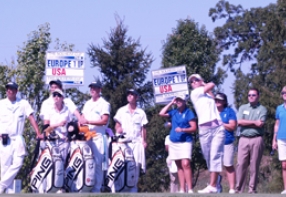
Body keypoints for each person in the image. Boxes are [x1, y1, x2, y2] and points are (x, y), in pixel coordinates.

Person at [0, 82, 41, 194]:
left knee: (18, 163)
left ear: (16, 91)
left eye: (12, 89)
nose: (10, 91)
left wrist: (38, 132)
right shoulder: (1, 104)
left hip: (18, 139)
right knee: (5, 168)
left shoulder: (23, 103)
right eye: (8, 89)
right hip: (4, 140)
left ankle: (1, 186)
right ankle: (8, 193)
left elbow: (31, 117)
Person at [189, 74, 225, 194]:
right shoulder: (194, 93)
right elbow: (211, 84)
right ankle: (217, 181)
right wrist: (204, 84)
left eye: (196, 80)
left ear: (201, 81)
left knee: (215, 155)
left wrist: (205, 85)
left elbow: (212, 93)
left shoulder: (208, 95)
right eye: (192, 82)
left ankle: (213, 186)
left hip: (217, 128)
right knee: (209, 158)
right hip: (204, 130)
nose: (193, 82)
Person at [159, 94, 197, 193]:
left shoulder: (189, 113)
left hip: (185, 141)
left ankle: (190, 189)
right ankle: (182, 189)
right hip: (174, 142)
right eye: (177, 100)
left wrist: (183, 129)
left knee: (186, 164)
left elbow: (194, 128)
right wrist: (171, 103)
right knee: (179, 166)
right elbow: (161, 113)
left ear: (185, 101)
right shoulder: (174, 112)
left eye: (181, 100)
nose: (179, 101)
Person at [113, 89, 148, 192]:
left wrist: (144, 141)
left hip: (136, 143)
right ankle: (121, 189)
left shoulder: (141, 112)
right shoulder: (121, 110)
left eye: (132, 94)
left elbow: (143, 128)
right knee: (122, 167)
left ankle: (133, 190)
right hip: (124, 144)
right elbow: (117, 124)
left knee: (135, 167)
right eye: (128, 94)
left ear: (136, 97)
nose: (129, 96)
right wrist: (118, 129)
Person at [80, 80, 110, 192]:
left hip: (98, 136)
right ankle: (85, 187)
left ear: (100, 90)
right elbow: (82, 118)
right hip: (87, 136)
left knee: (98, 164)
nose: (92, 90)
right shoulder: (87, 104)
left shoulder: (104, 104)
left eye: (95, 88)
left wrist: (88, 121)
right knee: (86, 161)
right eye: (91, 87)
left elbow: (104, 121)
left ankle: (97, 189)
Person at [236, 88, 267, 193]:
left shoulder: (262, 109)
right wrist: (254, 122)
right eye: (249, 95)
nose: (251, 97)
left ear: (258, 96)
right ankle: (239, 189)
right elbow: (239, 122)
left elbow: (261, 124)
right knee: (241, 164)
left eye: (253, 95)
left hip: (257, 139)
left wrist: (247, 122)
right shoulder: (242, 107)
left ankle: (252, 189)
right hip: (243, 139)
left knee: (254, 165)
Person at [43, 88, 74, 193]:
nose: (56, 97)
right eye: (54, 95)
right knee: (52, 164)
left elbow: (71, 126)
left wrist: (69, 134)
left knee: (62, 164)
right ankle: (50, 186)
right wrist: (57, 125)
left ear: (62, 98)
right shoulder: (49, 110)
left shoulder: (68, 110)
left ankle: (61, 187)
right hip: (51, 142)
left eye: (58, 95)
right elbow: (46, 129)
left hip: (64, 142)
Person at [215, 92, 237, 194]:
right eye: (216, 99)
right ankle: (216, 187)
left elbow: (233, 126)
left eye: (219, 100)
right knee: (215, 166)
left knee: (228, 165)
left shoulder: (229, 111)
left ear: (224, 101)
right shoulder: (212, 112)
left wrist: (222, 124)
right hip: (214, 143)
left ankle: (232, 188)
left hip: (227, 142)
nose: (217, 101)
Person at [272, 86, 286, 194]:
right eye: (283, 92)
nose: (285, 94)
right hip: (281, 138)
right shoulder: (279, 108)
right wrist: (274, 140)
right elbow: (277, 124)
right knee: (284, 165)